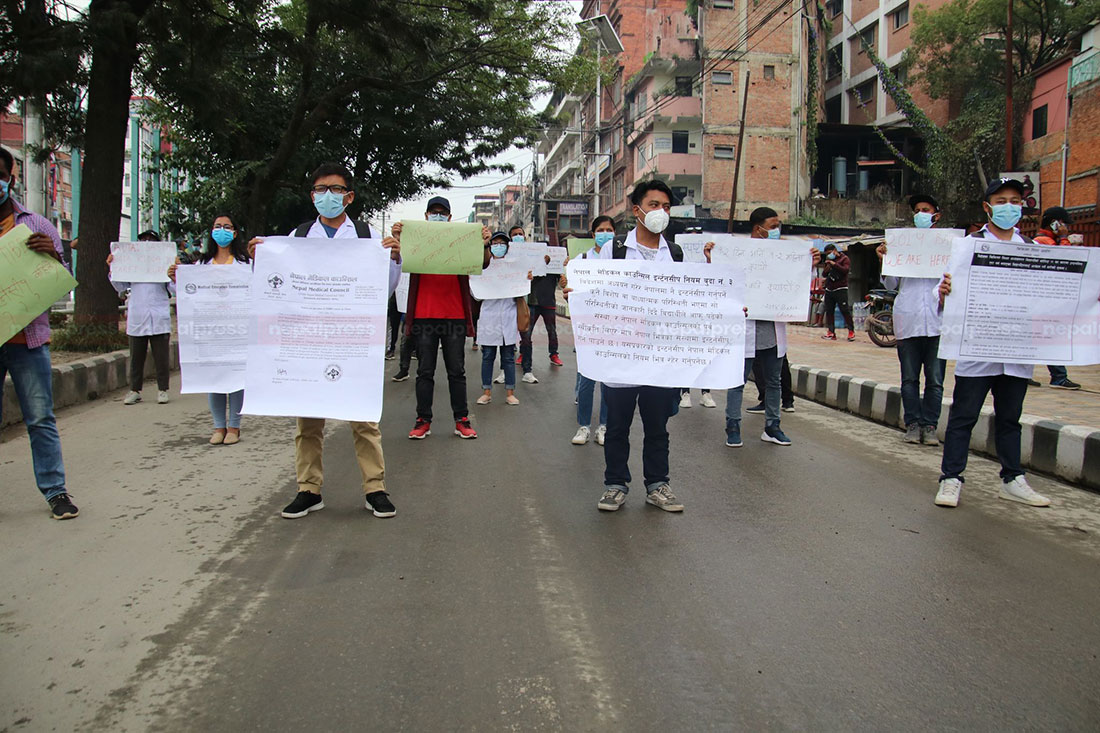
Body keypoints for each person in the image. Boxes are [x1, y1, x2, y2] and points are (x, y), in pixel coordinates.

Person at [248, 163, 401, 519]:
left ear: (349, 196)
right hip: (309, 340)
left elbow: (385, 290)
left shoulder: (365, 237)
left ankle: (375, 488)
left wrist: (393, 259)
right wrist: (262, 260)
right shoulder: (298, 237)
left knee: (363, 418)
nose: (327, 196)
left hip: (352, 339)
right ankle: (308, 489)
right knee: (308, 420)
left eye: (335, 189)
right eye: (320, 189)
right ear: (312, 195)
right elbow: (279, 288)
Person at [933, 178, 1051, 509]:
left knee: (1010, 417)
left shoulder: (1032, 250)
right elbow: (945, 289)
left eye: (1015, 200)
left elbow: (1046, 296)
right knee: (963, 416)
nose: (1009, 207)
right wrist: (942, 294)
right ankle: (951, 478)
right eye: (1001, 201)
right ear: (987, 207)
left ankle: (1012, 478)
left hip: (1015, 350)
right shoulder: (967, 247)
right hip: (978, 348)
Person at [593, 180, 685, 513]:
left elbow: (688, 301)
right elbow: (596, 294)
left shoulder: (674, 254)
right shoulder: (614, 249)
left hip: (659, 357)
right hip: (621, 354)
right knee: (617, 426)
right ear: (637, 210)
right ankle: (615, 485)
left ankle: (657, 484)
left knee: (657, 427)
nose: (661, 211)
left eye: (666, 206)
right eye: (654, 204)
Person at [0, 146, 78, 519]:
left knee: (40, 419)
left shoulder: (37, 225)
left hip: (27, 343)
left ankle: (56, 492)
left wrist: (54, 256)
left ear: (11, 178)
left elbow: (59, 286)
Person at [705, 207, 796, 448]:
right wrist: (711, 260)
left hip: (771, 330)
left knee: (774, 381)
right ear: (759, 228)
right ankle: (733, 425)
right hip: (744, 328)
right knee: (738, 380)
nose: (778, 230)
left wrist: (808, 262)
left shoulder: (785, 254)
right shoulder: (737, 252)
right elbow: (721, 282)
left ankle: (772, 426)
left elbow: (794, 283)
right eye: (774, 226)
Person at [396, 196, 485, 440]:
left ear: (449, 216)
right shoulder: (414, 240)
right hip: (424, 316)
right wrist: (397, 240)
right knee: (425, 371)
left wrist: (484, 244)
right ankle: (423, 419)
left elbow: (483, 263)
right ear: (426, 216)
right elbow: (396, 259)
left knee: (456, 371)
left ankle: (462, 420)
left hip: (454, 316)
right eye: (433, 212)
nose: (437, 216)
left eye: (442, 213)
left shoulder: (461, 240)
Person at [169, 213, 250, 445]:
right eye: (217, 226)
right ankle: (218, 426)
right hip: (210, 331)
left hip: (238, 331)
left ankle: (234, 427)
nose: (221, 230)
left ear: (234, 233)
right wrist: (175, 278)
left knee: (236, 379)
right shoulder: (200, 265)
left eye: (227, 226)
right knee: (213, 378)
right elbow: (186, 293)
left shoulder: (246, 265)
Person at [874, 193, 948, 446]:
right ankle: (913, 424)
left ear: (936, 215)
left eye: (926, 209)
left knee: (936, 381)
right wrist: (885, 260)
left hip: (938, 321)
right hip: (909, 319)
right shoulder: (902, 243)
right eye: (917, 210)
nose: (921, 214)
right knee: (909, 378)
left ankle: (930, 426)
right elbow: (892, 283)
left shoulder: (948, 245)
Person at [109, 228, 174, 405]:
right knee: (136, 357)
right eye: (143, 240)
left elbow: (174, 289)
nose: (147, 243)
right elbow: (120, 286)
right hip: (137, 316)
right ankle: (134, 390)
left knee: (161, 357)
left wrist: (174, 275)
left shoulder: (163, 265)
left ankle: (163, 389)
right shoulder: (133, 265)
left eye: (150, 241)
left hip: (158, 317)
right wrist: (113, 266)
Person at [566, 216, 613, 445]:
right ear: (593, 234)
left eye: (610, 230)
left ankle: (603, 426)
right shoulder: (582, 260)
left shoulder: (621, 259)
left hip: (613, 327)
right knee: (586, 379)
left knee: (608, 381)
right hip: (588, 327)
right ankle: (583, 426)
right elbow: (570, 288)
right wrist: (567, 289)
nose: (605, 234)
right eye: (601, 230)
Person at [1032, 207, 1082, 390]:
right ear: (1054, 223)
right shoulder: (1042, 242)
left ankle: (1051, 375)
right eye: (1063, 224)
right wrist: (1063, 239)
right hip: (1044, 299)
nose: (1066, 228)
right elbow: (1064, 262)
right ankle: (1059, 377)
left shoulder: (1048, 240)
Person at [475, 232, 526, 406]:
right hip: (489, 316)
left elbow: (523, 288)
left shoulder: (515, 267)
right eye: (494, 243)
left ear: (507, 247)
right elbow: (475, 291)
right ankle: (486, 391)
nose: (498, 246)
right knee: (488, 355)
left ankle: (510, 392)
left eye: (502, 243)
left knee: (508, 357)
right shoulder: (483, 268)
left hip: (509, 316)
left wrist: (527, 279)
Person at [518, 223, 563, 380]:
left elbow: (563, 280)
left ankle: (554, 355)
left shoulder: (554, 266)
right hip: (533, 302)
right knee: (526, 331)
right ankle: (522, 354)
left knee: (552, 331)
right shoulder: (532, 265)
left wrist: (564, 270)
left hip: (549, 302)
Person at [819, 243, 855, 341]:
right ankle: (831, 332)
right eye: (827, 254)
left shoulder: (844, 259)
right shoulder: (829, 260)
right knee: (829, 311)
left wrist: (834, 264)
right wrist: (828, 266)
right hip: (829, 288)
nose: (829, 255)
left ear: (835, 251)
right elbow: (824, 274)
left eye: (830, 253)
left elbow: (845, 270)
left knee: (844, 310)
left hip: (841, 288)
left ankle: (851, 331)